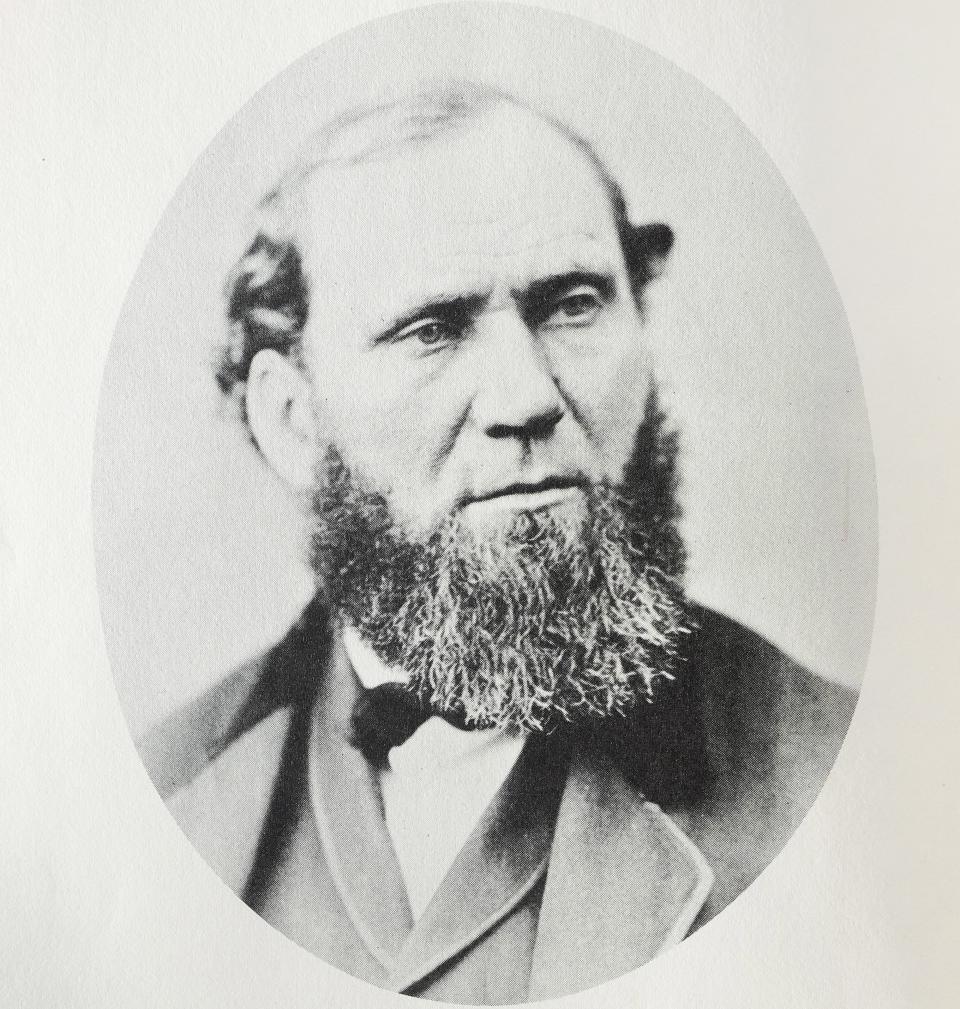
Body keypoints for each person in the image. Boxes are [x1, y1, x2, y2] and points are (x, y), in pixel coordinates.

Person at [140, 82, 856, 1003]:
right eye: (432, 330)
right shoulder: (166, 800)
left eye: (572, 305)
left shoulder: (832, 776)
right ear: (292, 419)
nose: (527, 397)